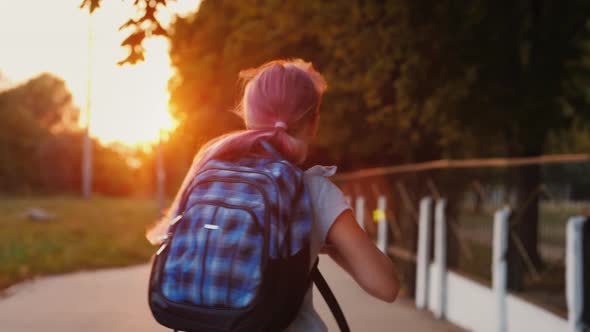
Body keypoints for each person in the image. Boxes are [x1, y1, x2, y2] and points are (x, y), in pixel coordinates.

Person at [147, 59, 399, 331]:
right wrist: (330, 245)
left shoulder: (208, 173)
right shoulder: (314, 190)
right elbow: (385, 286)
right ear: (314, 122)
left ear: (247, 117)